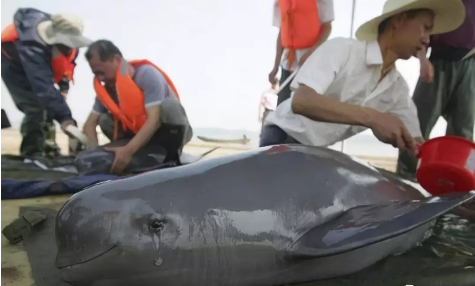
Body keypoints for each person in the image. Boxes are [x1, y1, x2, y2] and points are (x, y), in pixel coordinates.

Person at [260, 0, 467, 157]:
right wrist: (373, 118)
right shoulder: (344, 50)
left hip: (315, 154)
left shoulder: (397, 90)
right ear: (399, 20)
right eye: (425, 28)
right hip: (281, 139)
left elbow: (416, 145)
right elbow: (302, 101)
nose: (426, 40)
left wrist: (455, 189)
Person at [82, 40, 193, 174]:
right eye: (96, 74)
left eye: (101, 72)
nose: (100, 78)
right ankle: (140, 154)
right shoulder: (108, 89)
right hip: (136, 135)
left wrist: (127, 152)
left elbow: (154, 120)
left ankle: (171, 156)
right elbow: (89, 124)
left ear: (116, 60)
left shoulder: (146, 74)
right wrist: (94, 152)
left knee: (169, 107)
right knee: (104, 119)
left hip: (166, 132)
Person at [396, 0, 475, 180]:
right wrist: (423, 60)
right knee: (419, 123)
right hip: (438, 61)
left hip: (469, 64)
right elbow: (424, 31)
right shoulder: (442, 4)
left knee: (464, 129)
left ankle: (461, 180)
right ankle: (405, 177)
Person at [1, 8, 91, 160]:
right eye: (64, 44)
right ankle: (32, 153)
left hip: (40, 71)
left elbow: (67, 67)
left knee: (53, 102)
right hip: (13, 66)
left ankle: (49, 148)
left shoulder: (72, 46)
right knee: (36, 106)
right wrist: (65, 118)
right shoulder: (32, 45)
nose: (68, 48)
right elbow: (42, 86)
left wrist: (63, 88)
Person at [268, 0, 334, 106]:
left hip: (312, 64)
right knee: (282, 107)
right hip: (287, 65)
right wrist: (275, 67)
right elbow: (282, 32)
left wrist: (310, 53)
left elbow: (327, 27)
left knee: (305, 107)